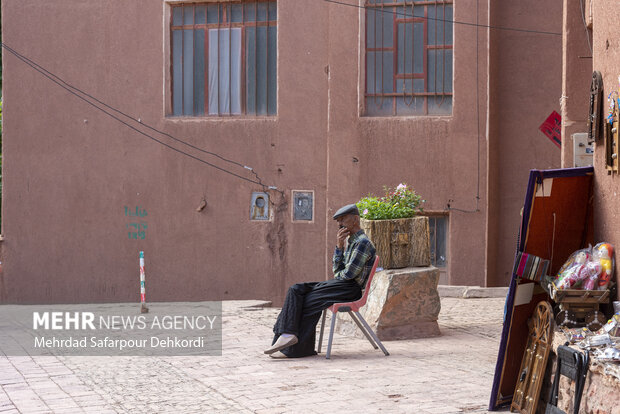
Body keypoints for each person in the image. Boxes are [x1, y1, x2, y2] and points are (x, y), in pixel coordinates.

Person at [264, 203, 376, 358]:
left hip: (350, 288)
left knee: (307, 299)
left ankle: (293, 345)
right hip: (342, 284)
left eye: (342, 219)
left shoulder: (362, 243)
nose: (339, 224)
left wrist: (340, 269)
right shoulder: (351, 242)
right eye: (338, 221)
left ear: (355, 220)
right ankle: (288, 335)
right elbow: (337, 272)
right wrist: (339, 246)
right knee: (296, 290)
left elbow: (347, 275)